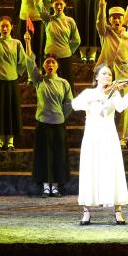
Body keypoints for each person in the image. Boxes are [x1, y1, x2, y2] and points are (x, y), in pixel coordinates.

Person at [72, 65, 128, 225]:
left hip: (109, 135)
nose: (108, 77)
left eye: (110, 75)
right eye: (104, 73)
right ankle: (86, 212)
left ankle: (118, 211)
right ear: (96, 77)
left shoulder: (114, 93)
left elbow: (121, 106)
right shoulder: (89, 93)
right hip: (91, 136)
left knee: (113, 170)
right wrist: (96, 98)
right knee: (90, 170)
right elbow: (75, 105)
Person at [29, 43, 74, 197]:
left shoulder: (63, 83)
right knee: (43, 155)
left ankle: (55, 186)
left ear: (57, 66)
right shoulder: (39, 80)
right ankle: (45, 186)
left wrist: (61, 115)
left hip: (58, 124)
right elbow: (30, 63)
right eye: (47, 62)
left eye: (53, 62)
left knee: (58, 155)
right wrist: (28, 43)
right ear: (43, 65)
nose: (50, 65)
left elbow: (69, 103)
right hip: (43, 123)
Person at [0, 15, 31, 151]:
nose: (5, 28)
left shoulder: (16, 43)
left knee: (11, 111)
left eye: (7, 26)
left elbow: (24, 60)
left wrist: (28, 43)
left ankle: (10, 141)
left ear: (11, 28)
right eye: (2, 26)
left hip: (12, 82)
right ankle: (0, 141)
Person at [96, 0, 128, 146]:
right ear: (110, 20)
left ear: (123, 19)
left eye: (119, 17)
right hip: (106, 75)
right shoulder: (105, 32)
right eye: (113, 17)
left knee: (123, 108)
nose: (117, 20)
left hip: (123, 76)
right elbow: (99, 21)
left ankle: (122, 138)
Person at [38, 0, 82, 85]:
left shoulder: (70, 21)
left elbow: (77, 40)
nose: (58, 7)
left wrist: (68, 50)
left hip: (65, 58)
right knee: (49, 86)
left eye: (61, 4)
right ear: (52, 5)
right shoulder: (48, 19)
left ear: (65, 5)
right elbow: (39, 8)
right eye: (56, 4)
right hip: (49, 58)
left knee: (66, 85)